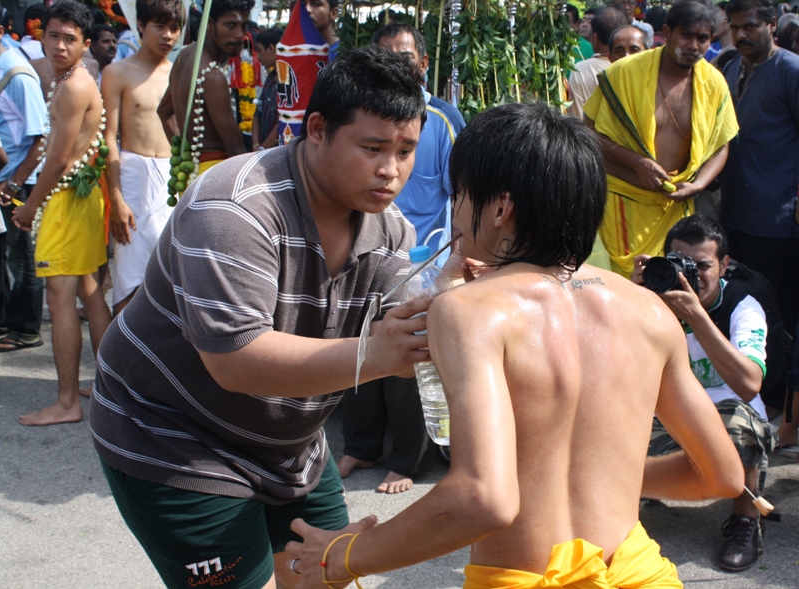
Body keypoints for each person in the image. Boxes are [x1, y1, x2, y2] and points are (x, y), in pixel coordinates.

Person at [286, 101, 744, 589]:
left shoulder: (469, 311)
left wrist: (345, 556)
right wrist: (616, 471)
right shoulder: (651, 311)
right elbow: (722, 476)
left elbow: (482, 498)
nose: (456, 212)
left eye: (460, 194)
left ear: (501, 207)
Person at [91, 47, 431, 589]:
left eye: (407, 150)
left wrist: (450, 302)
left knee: (328, 578)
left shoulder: (389, 231)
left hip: (291, 447)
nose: (391, 170)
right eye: (372, 147)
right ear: (316, 129)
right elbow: (236, 359)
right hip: (175, 437)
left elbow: (405, 335)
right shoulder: (236, 207)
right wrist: (379, 353)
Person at [336, 22, 466, 495]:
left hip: (421, 259)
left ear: (424, 64)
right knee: (358, 342)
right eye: (385, 55)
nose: (396, 65)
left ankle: (407, 461)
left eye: (405, 57)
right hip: (366, 249)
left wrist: (453, 263)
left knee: (409, 356)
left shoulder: (445, 119)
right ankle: (362, 444)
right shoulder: (360, 113)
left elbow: (459, 196)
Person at [631, 214, 780, 572]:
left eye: (702, 265)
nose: (689, 275)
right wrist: (631, 299)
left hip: (731, 417)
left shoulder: (743, 304)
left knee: (737, 426)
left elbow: (749, 384)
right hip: (671, 416)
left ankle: (745, 521)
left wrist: (697, 317)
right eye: (679, 263)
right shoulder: (649, 300)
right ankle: (622, 515)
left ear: (725, 265)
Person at [583, 0, 738, 278]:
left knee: (672, 284)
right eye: (686, 35)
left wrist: (698, 185)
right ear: (666, 33)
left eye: (702, 38)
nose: (693, 45)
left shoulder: (714, 83)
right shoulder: (625, 72)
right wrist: (637, 162)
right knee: (626, 289)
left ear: (711, 40)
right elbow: (588, 133)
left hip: (677, 207)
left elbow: (721, 145)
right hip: (625, 203)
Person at [12, 0, 112, 425]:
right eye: (53, 35)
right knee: (89, 291)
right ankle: (110, 387)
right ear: (42, 34)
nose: (59, 45)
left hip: (68, 199)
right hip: (80, 198)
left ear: (84, 43)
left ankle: (68, 402)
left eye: (70, 38)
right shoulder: (72, 78)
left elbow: (57, 161)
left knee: (61, 299)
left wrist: (29, 206)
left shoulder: (73, 86)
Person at [719, 0, 799, 348]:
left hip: (776, 217)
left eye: (749, 26)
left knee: (775, 310)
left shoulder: (790, 70)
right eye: (735, 28)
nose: (740, 35)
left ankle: (776, 393)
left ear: (772, 25)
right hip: (734, 211)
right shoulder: (731, 65)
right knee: (740, 303)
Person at [101, 0, 184, 316]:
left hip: (173, 178)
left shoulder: (179, 73)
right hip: (132, 175)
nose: (167, 35)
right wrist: (117, 198)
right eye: (159, 26)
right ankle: (120, 361)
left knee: (171, 275)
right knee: (128, 278)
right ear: (141, 26)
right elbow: (109, 136)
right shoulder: (117, 72)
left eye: (174, 28)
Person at [157, 0, 253, 174]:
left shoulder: (184, 56)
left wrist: (184, 158)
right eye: (230, 25)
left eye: (244, 26)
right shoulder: (213, 76)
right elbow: (235, 151)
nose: (240, 34)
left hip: (188, 175)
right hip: (213, 175)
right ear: (210, 24)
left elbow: (164, 113)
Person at [0, 19, 47, 353]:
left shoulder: (17, 73)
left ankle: (26, 328)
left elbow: (41, 138)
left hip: (20, 182)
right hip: (8, 179)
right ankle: (8, 322)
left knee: (25, 257)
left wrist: (14, 184)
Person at [567, 7, 628, 120]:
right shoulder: (634, 68)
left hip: (591, 136)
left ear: (595, 38)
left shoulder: (580, 69)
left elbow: (576, 119)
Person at [252, 27, 282, 150]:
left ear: (271, 48)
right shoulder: (270, 79)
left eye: (259, 50)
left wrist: (262, 149)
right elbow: (257, 114)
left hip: (276, 152)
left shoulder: (287, 81)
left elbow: (281, 123)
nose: (258, 57)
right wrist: (256, 146)